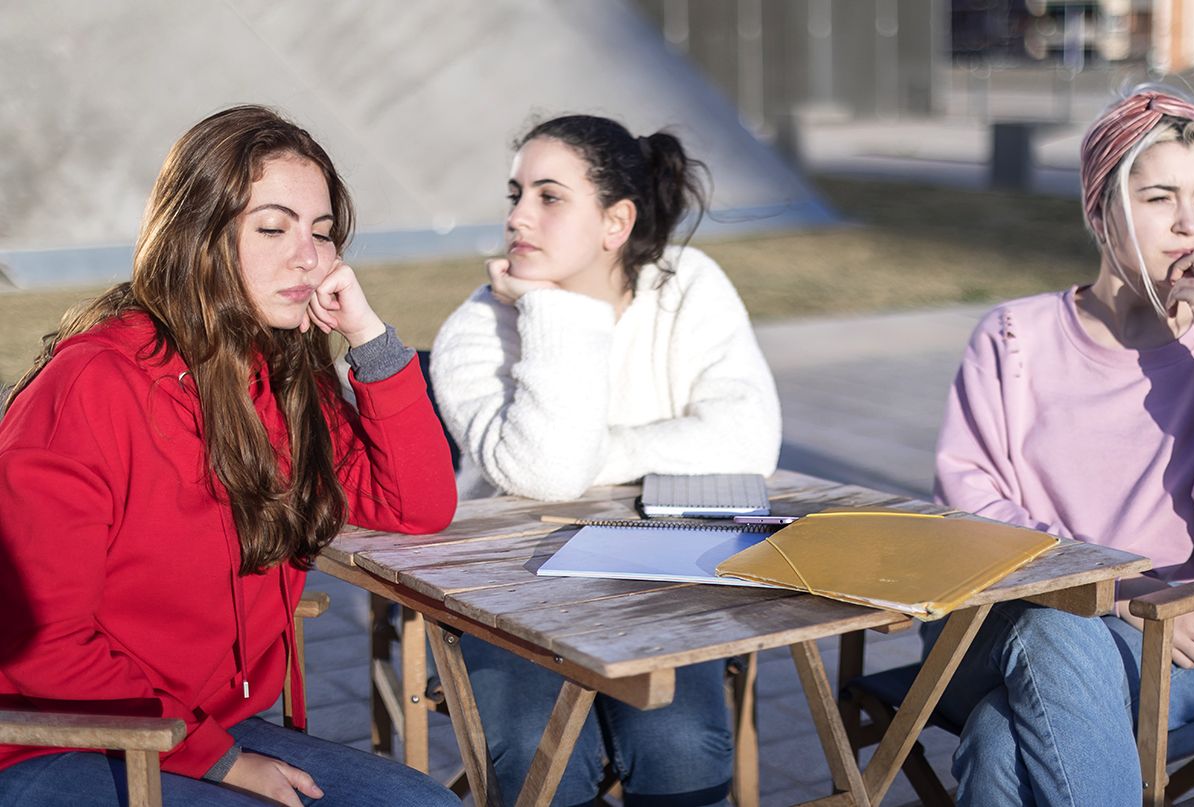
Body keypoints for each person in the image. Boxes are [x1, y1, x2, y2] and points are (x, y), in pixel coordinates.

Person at [0, 105, 460, 807]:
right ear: (198, 235)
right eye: (273, 228)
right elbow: (42, 641)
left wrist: (369, 337)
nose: (309, 257)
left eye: (322, 232)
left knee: (425, 803)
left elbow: (415, 505)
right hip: (61, 737)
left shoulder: (282, 379)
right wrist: (219, 761)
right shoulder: (91, 387)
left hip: (212, 727)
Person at [429, 114, 780, 805]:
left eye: (549, 197)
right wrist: (550, 311)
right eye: (516, 195)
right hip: (510, 588)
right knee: (540, 750)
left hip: (660, 574)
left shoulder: (687, 284)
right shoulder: (478, 327)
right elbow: (547, 476)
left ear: (615, 222)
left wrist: (598, 450)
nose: (517, 217)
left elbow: (750, 437)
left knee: (681, 742)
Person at [929, 87, 1194, 806]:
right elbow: (972, 511)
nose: (1189, 223)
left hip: (1180, 641)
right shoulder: (1014, 336)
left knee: (1000, 740)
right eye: (1159, 198)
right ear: (1100, 210)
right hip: (998, 622)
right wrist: (1114, 591)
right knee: (1057, 627)